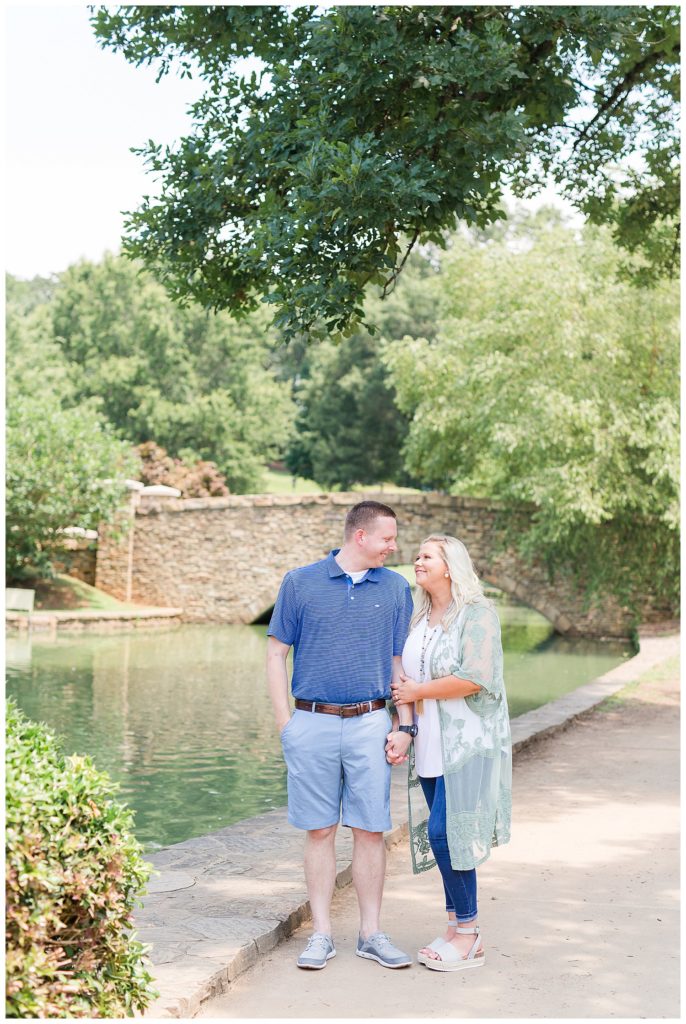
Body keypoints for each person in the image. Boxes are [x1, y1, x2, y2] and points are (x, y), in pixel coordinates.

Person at [267, 500, 416, 970]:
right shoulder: (300, 582)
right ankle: (322, 935)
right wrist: (284, 724)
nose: (394, 548)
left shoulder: (395, 589)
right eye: (387, 538)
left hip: (372, 722)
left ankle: (371, 933)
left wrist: (404, 725)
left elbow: (399, 664)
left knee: (371, 830)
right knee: (320, 829)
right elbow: (275, 655)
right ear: (360, 536)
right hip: (310, 722)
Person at [387, 534, 512, 972]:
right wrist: (405, 724)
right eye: (416, 555)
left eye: (426, 556)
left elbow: (477, 677)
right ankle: (454, 926)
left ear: (449, 566)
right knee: (444, 838)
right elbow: (400, 673)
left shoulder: (477, 614)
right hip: (430, 743)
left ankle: (471, 935)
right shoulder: (420, 615)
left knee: (446, 834)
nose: (416, 561)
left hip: (468, 743)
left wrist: (419, 690)